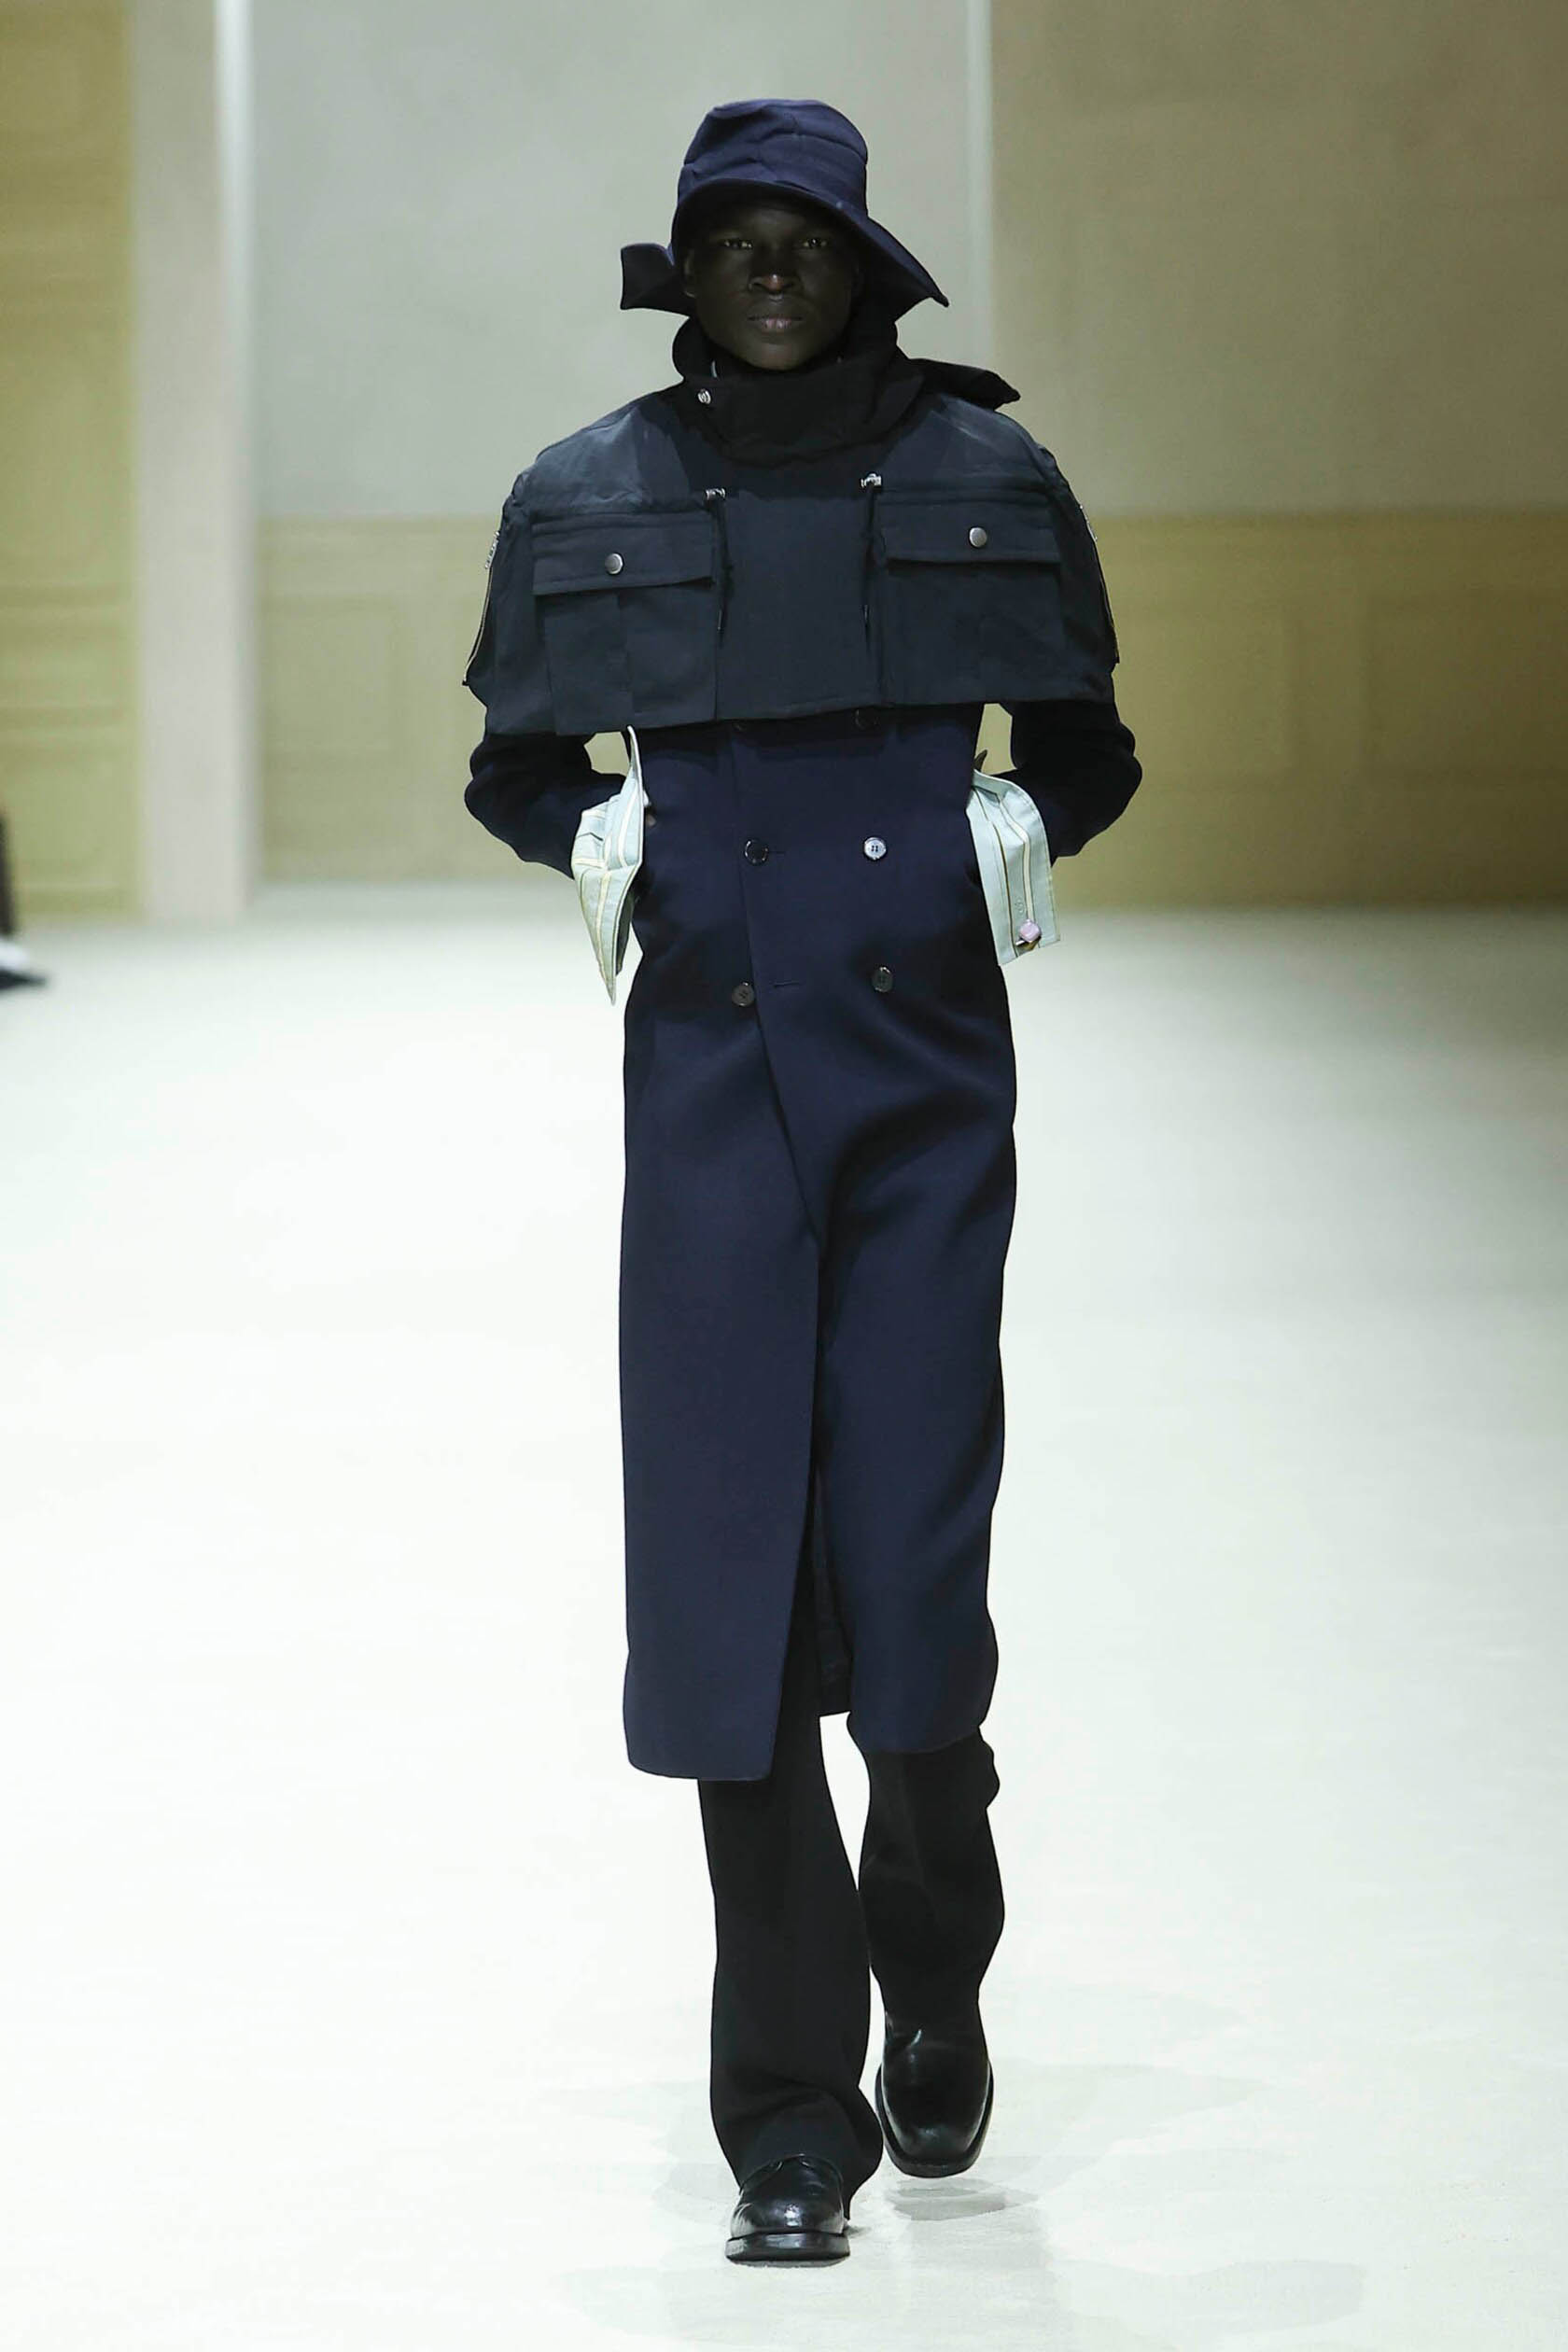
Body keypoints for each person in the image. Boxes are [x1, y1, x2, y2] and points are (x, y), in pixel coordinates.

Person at [461, 97, 1141, 2265]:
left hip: (928, 1087)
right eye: (732, 239)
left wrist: (1021, 822)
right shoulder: (590, 489)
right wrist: (586, 829)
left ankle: (933, 1965)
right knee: (727, 1585)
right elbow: (512, 761)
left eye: (806, 238)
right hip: (708, 1086)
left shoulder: (982, 472)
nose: (770, 271)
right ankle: (787, 2111)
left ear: (865, 263)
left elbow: (1090, 742)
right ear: (683, 270)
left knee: (915, 1573)